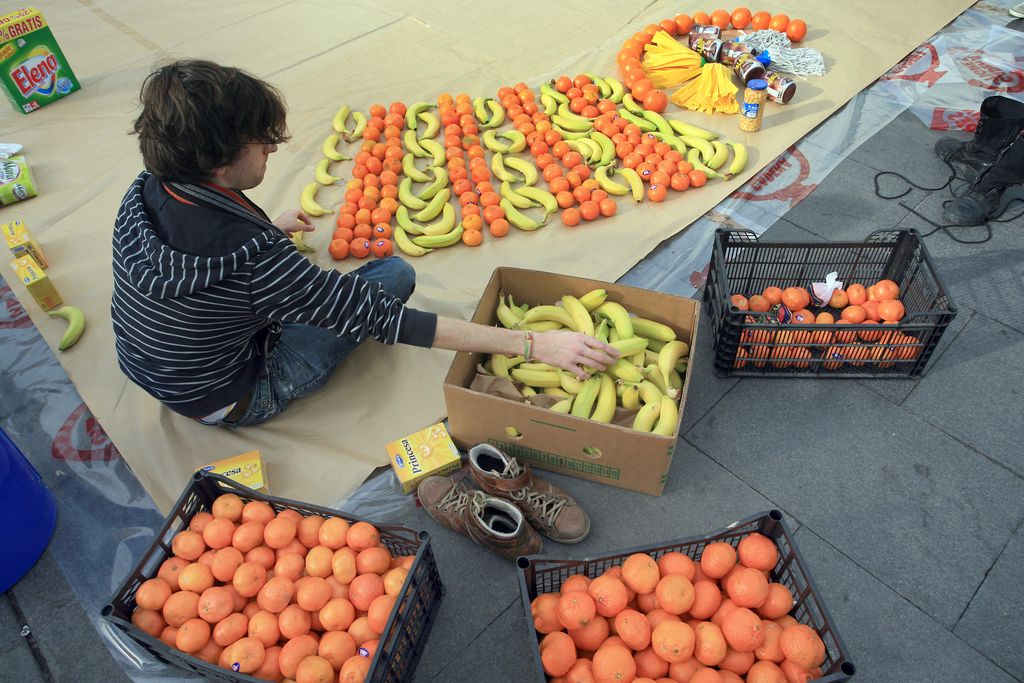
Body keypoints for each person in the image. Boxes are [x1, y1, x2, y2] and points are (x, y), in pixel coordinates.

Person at [111, 60, 618, 427]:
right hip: (231, 394)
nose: (271, 147)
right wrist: (536, 343)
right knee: (394, 279)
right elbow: (388, 321)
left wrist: (270, 231)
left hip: (149, 364)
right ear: (220, 160)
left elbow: (209, 253)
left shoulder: (147, 189)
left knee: (363, 280)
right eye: (260, 140)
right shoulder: (256, 261)